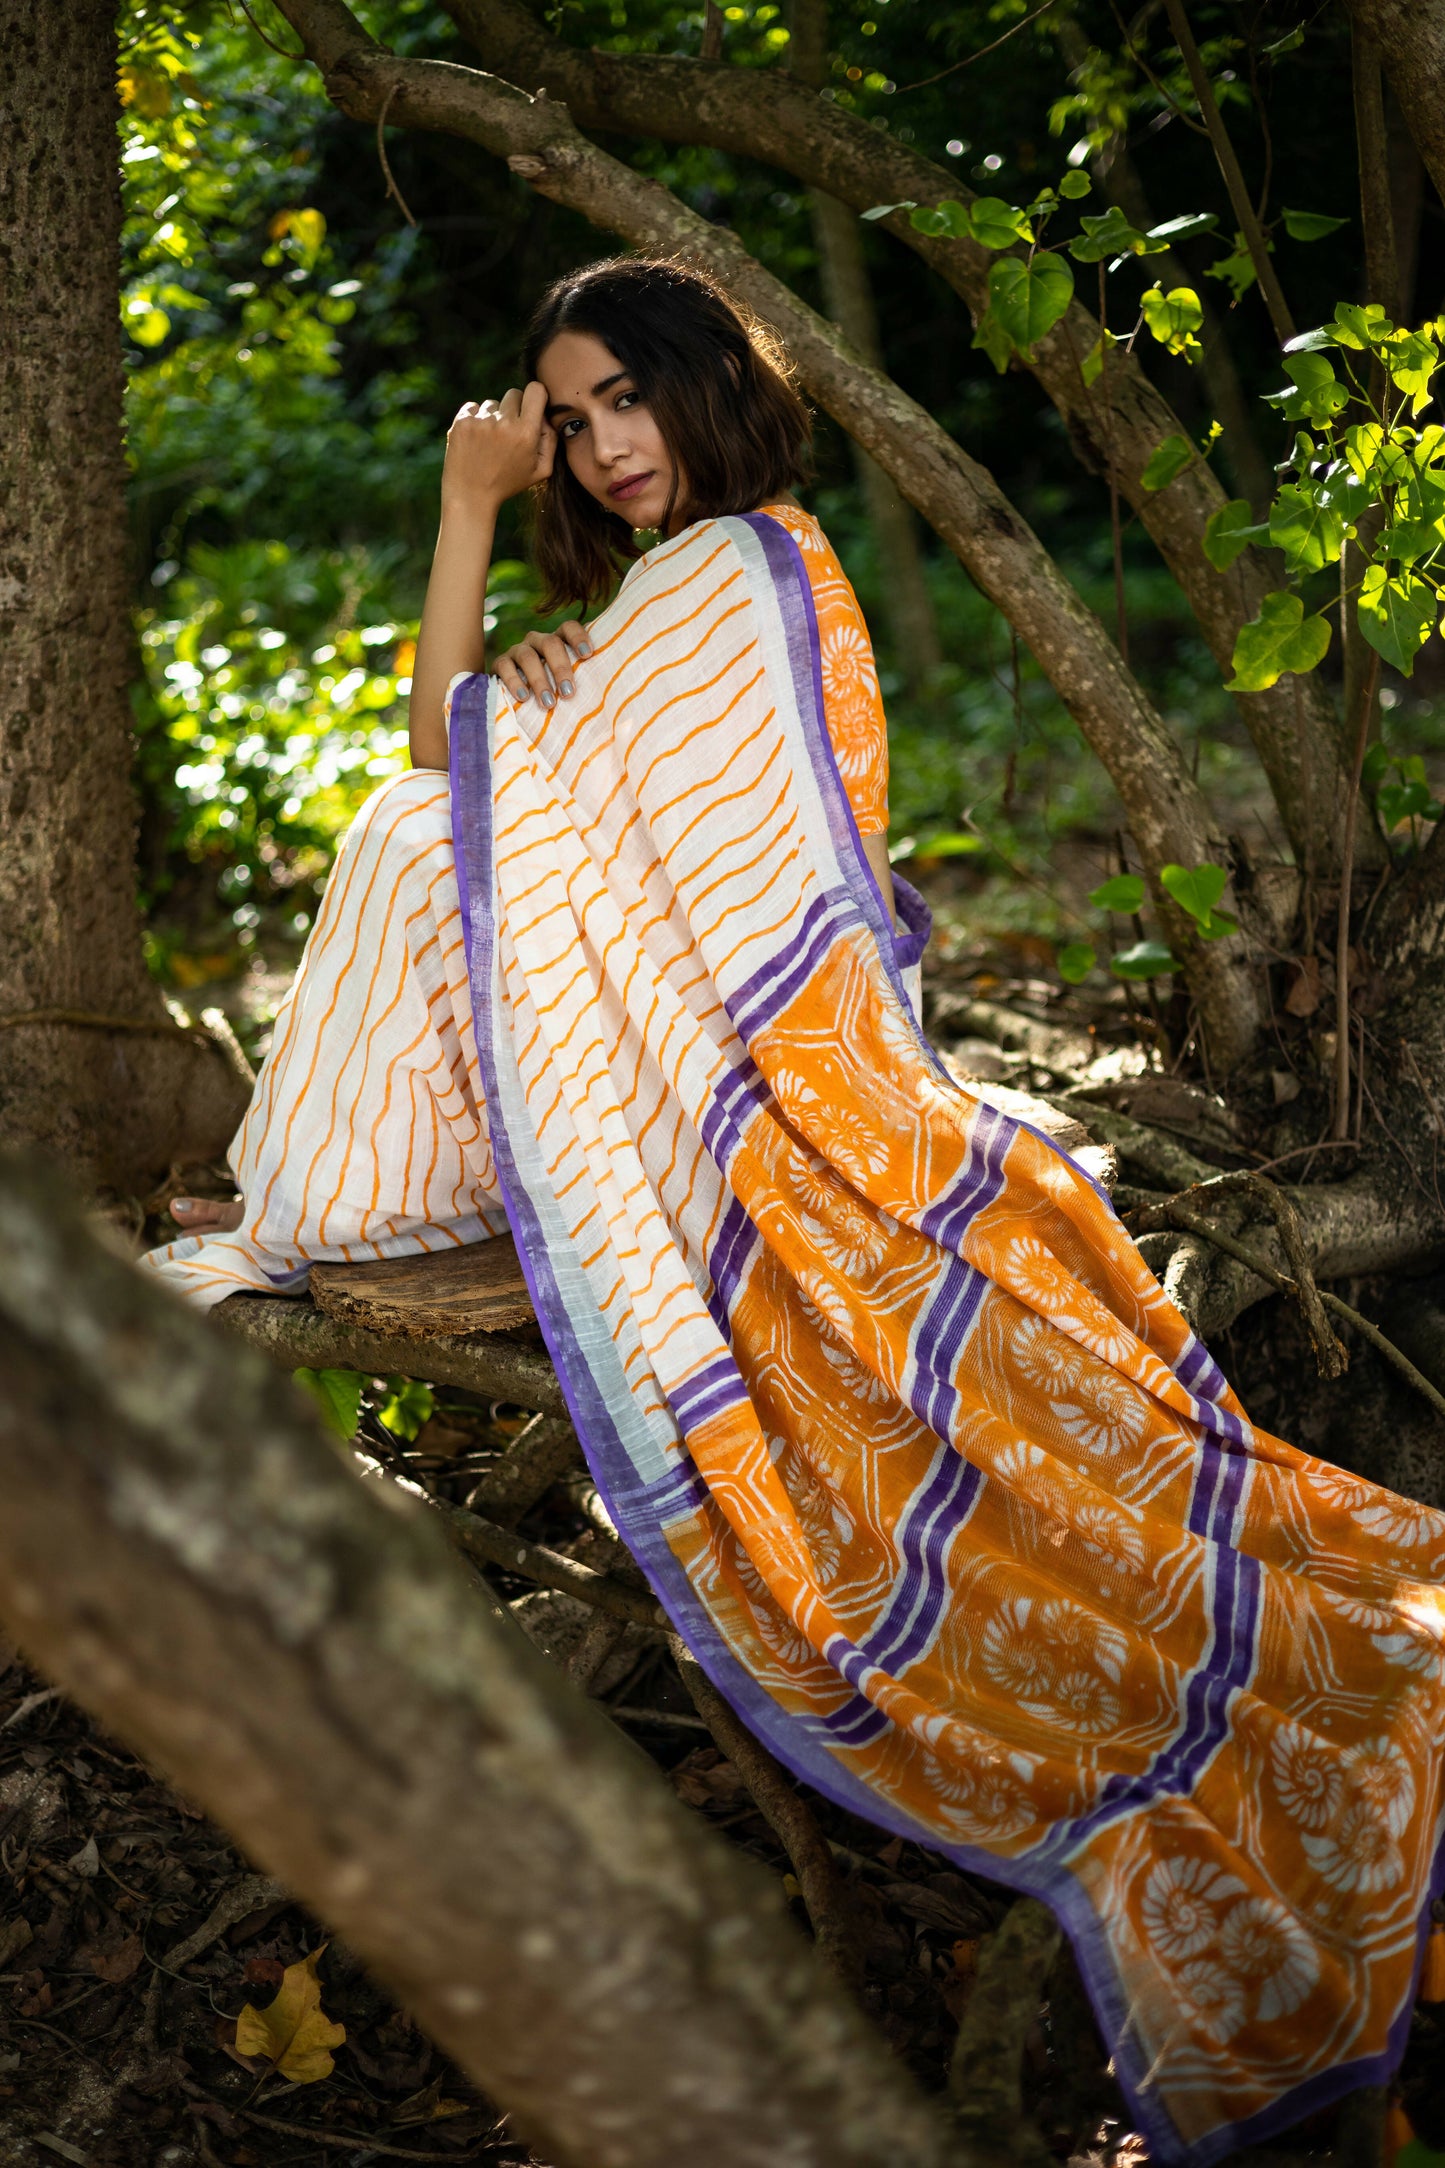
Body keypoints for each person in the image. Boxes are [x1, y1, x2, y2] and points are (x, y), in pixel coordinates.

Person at [142, 257, 1445, 2166]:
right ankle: (349, 1190)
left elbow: (524, 815)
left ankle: (334, 1192)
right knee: (426, 827)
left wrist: (542, 782)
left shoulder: (750, 573)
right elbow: (458, 759)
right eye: (567, 426)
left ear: (697, 386)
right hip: (676, 1073)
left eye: (620, 405)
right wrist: (466, 511)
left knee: (422, 834)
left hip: (763, 1097)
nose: (601, 452)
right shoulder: (642, 609)